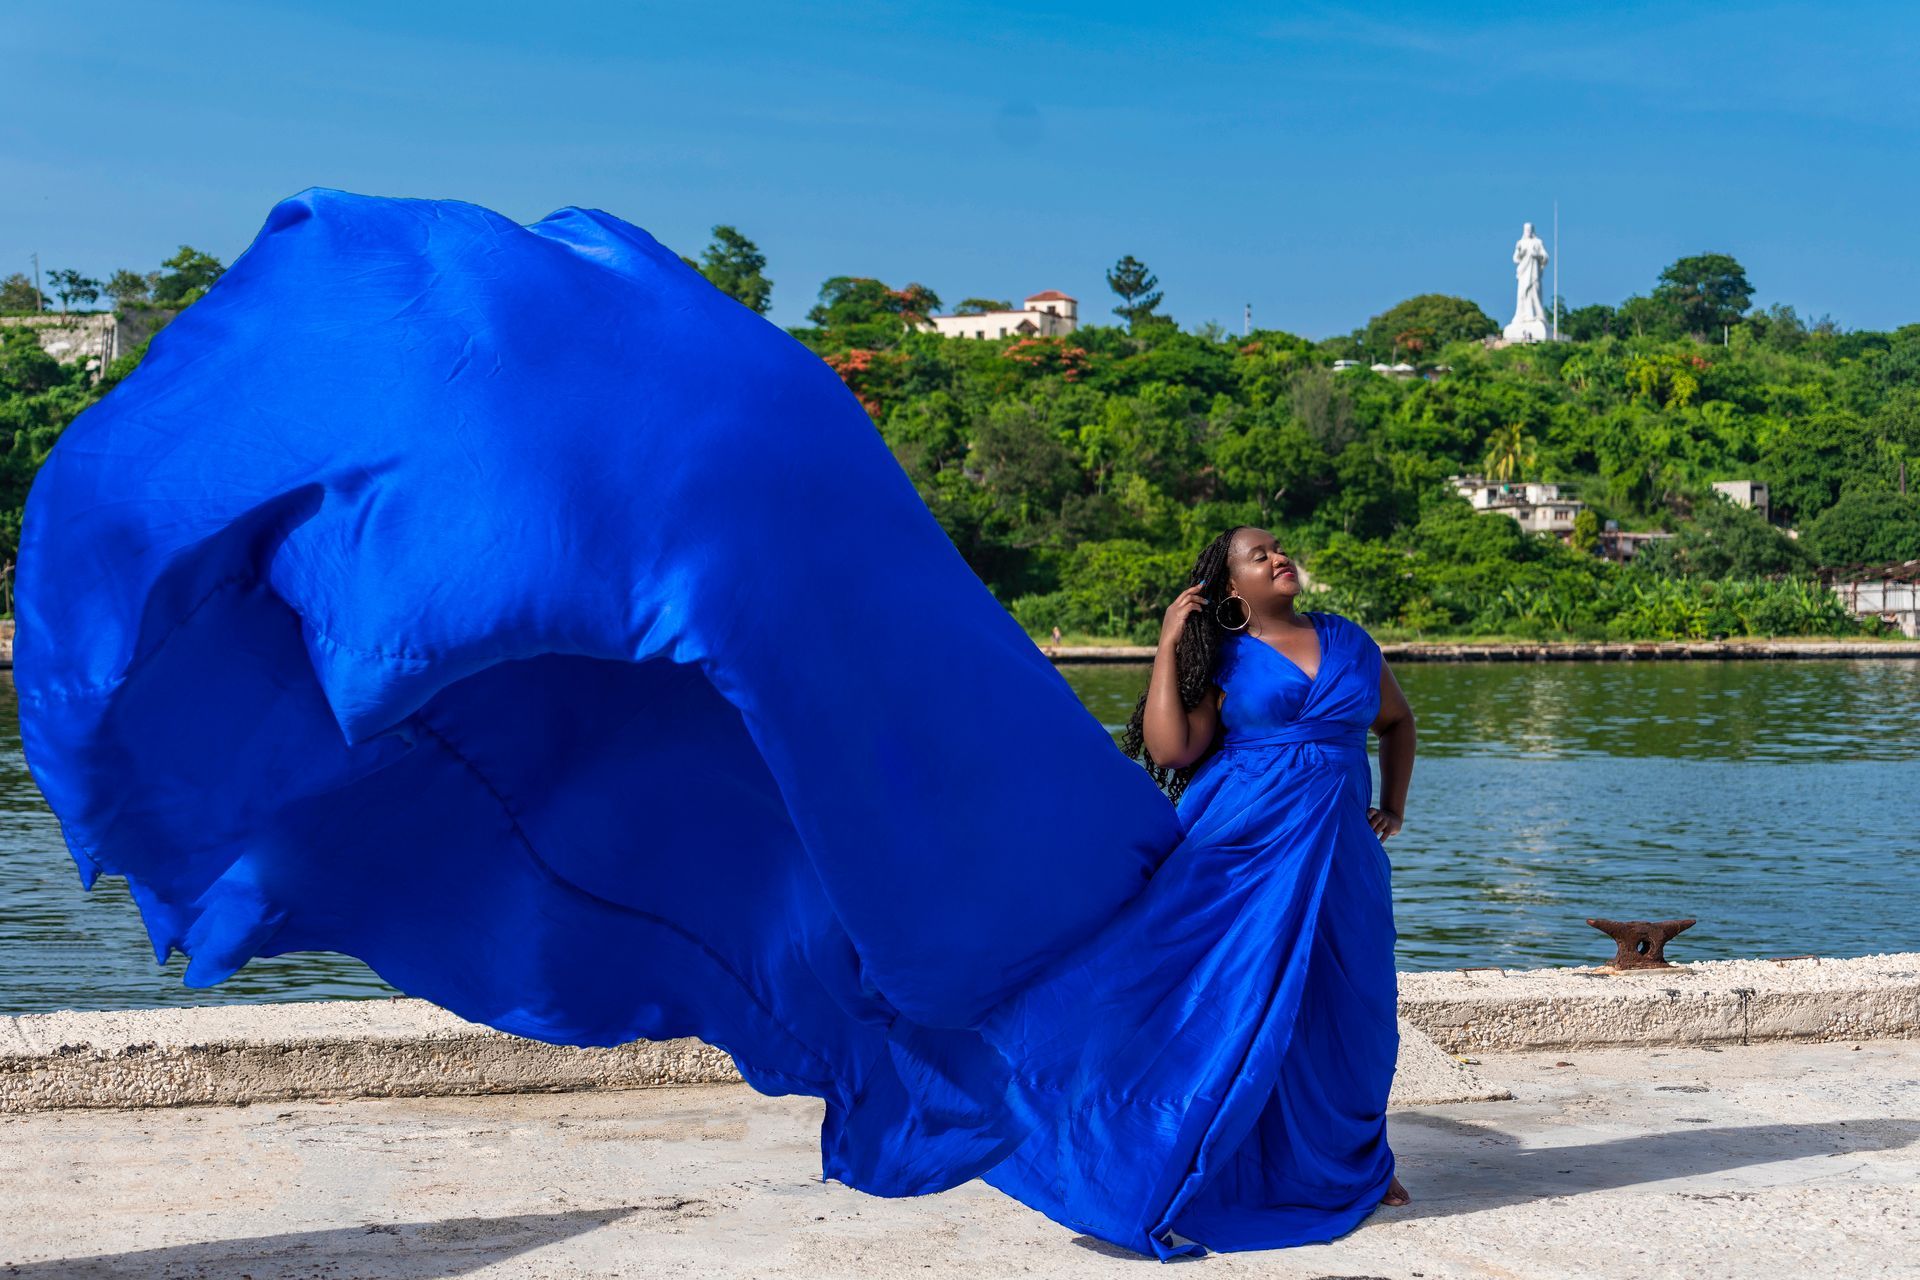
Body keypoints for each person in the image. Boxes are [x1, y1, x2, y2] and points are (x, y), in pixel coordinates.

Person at [16, 189, 1410, 1261]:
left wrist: (1389, 797)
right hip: (1234, 836)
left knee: (1345, 1000)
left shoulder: (1347, 645)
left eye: (1283, 547)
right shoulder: (1208, 642)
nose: (1277, 558)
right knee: (1207, 997)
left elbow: (1393, 718)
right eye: (1255, 552)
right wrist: (1173, 642)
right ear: (1221, 585)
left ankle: (1346, 1155)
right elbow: (1169, 754)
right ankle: (1192, 1153)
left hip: (1331, 836)